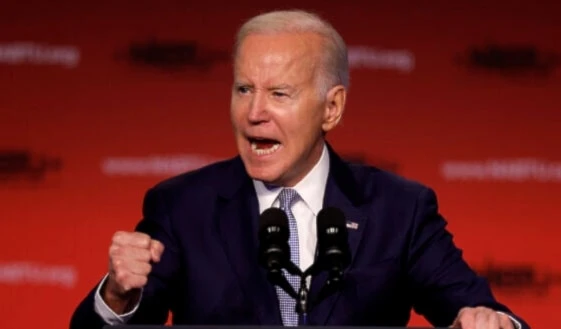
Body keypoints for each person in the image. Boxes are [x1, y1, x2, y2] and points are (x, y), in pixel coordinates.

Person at [70, 9, 530, 329]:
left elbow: (482, 311)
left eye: (279, 94)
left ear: (332, 108)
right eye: (244, 89)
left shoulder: (399, 209)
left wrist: (489, 321)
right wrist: (117, 297)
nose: (254, 113)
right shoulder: (182, 207)